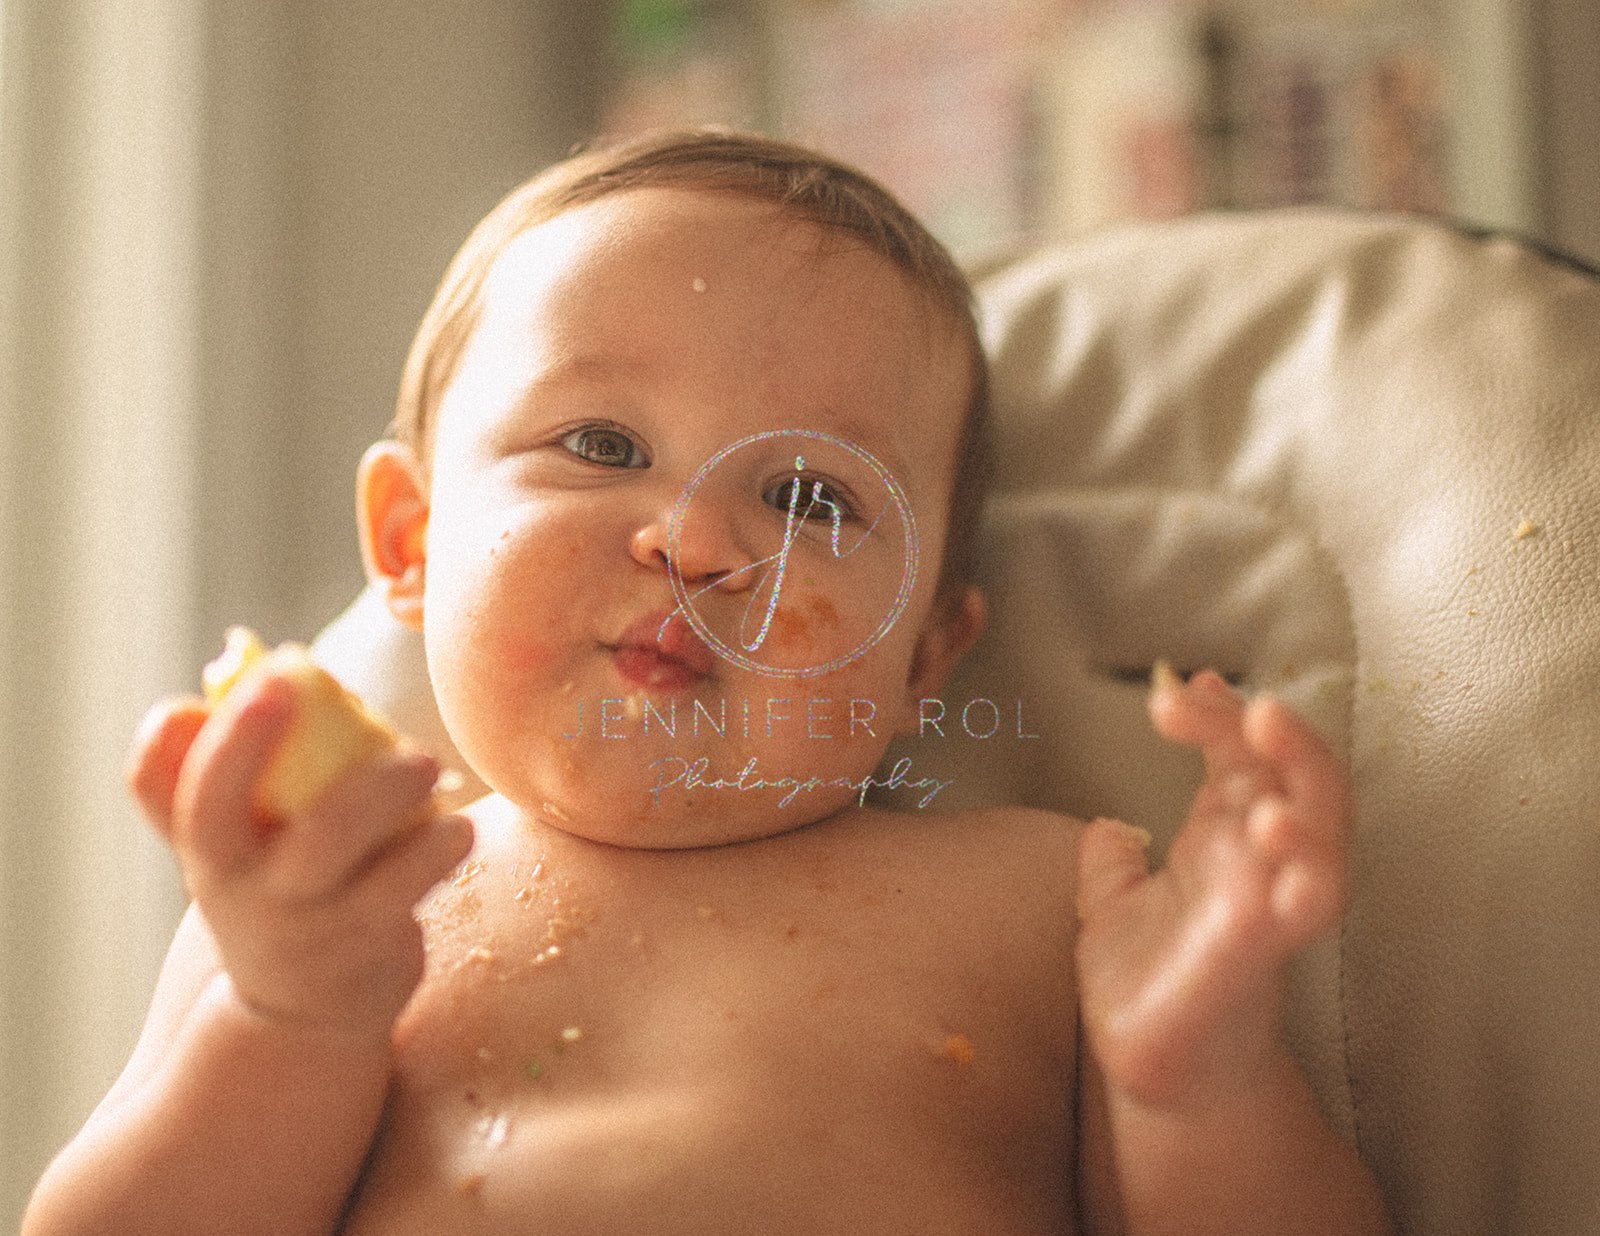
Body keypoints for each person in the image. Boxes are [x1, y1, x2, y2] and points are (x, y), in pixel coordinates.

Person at [24, 130, 1393, 1235]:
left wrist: (1199, 1090)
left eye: (807, 496)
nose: (695, 542)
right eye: (603, 441)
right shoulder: (338, 898)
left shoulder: (1057, 901)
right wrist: (283, 1017)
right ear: (413, 543)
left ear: (925, 658)